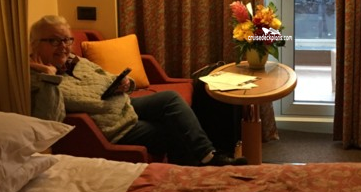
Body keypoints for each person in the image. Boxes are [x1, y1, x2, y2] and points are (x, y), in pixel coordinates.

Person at [29, 15, 246, 167]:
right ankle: (198, 169)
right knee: (172, 130)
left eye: (67, 40)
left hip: (125, 105)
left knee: (170, 98)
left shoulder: (75, 61)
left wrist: (127, 84)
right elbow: (49, 122)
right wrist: (50, 77)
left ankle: (209, 155)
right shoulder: (37, 78)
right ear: (35, 44)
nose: (64, 47)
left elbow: (109, 78)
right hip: (116, 127)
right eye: (55, 41)